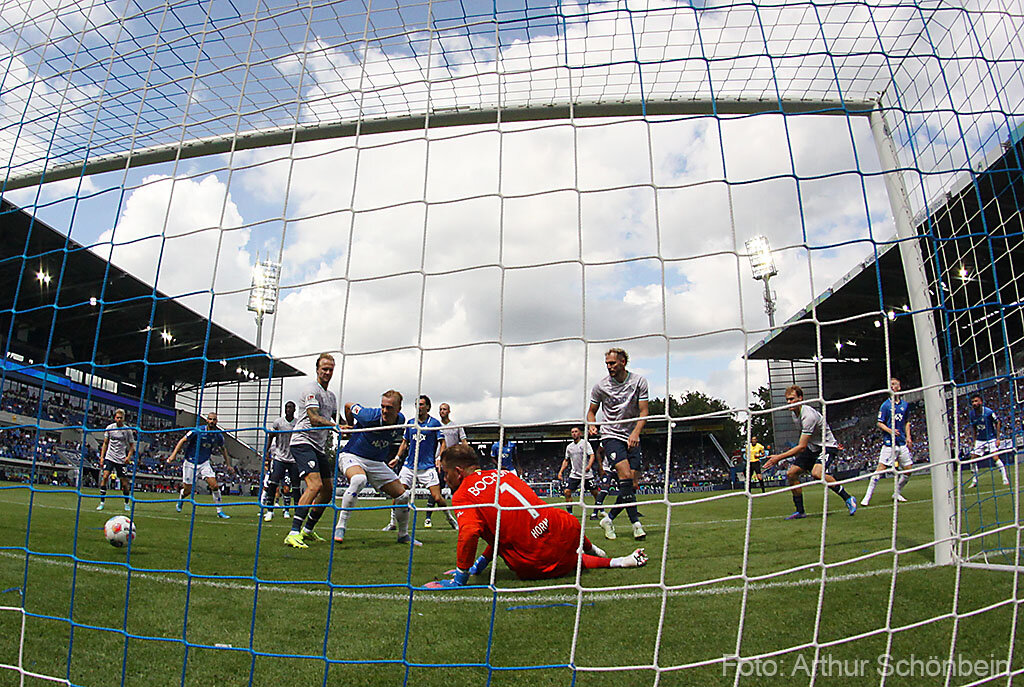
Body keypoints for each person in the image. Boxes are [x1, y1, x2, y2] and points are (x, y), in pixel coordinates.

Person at [425, 445, 645, 588]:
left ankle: (613, 561)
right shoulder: (503, 473)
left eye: (445, 472)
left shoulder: (463, 494)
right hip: (564, 530)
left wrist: (461, 576)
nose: (445, 478)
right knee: (558, 519)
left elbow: (471, 532)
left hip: (536, 559)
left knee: (539, 553)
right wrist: (480, 564)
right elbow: (506, 527)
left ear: (458, 471)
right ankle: (603, 554)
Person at [333, 390, 418, 545]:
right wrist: (350, 427)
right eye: (382, 406)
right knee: (359, 480)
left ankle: (403, 535)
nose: (384, 410)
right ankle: (341, 526)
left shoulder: (401, 420)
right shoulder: (368, 415)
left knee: (403, 496)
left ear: (398, 409)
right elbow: (348, 406)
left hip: (376, 463)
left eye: (389, 408)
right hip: (353, 455)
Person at [762, 385, 857, 519]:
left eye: (792, 399)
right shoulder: (794, 413)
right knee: (791, 474)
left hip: (827, 446)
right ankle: (800, 511)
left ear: (800, 398)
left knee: (817, 474)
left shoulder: (808, 416)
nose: (789, 402)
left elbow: (801, 446)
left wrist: (779, 457)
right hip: (812, 447)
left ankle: (848, 498)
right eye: (787, 400)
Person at [587, 347, 649, 541]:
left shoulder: (639, 382)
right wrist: (592, 425)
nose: (609, 367)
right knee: (625, 475)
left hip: (632, 435)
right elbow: (591, 412)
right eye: (607, 363)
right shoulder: (600, 386)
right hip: (611, 435)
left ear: (623, 362)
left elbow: (644, 411)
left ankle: (609, 519)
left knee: (632, 484)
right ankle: (636, 525)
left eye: (612, 363)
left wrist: (636, 433)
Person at [284, 354, 341, 549]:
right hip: (302, 442)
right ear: (317, 369)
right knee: (314, 485)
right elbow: (314, 419)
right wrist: (335, 426)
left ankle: (307, 531)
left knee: (327, 491)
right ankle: (293, 533)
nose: (327, 372)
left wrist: (353, 426)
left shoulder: (331, 397)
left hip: (318, 446)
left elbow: (338, 419)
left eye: (330, 369)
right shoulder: (311, 390)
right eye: (324, 368)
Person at [384, 395, 458, 531]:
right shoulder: (411, 423)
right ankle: (392, 522)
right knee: (398, 494)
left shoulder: (434, 423)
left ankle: (450, 519)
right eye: (417, 404)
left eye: (422, 404)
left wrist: (439, 458)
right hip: (409, 466)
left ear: (428, 407)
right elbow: (404, 443)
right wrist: (397, 457)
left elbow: (442, 443)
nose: (419, 407)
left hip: (427, 467)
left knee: (437, 497)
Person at [166, 411, 235, 518]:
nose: (212, 421)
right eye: (210, 419)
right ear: (207, 420)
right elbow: (182, 440)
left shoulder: (218, 435)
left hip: (204, 463)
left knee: (215, 486)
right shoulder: (197, 430)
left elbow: (223, 449)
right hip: (190, 462)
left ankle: (219, 511)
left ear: (217, 421)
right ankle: (181, 497)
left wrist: (228, 464)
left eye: (214, 419)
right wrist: (173, 455)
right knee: (188, 490)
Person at [862, 377, 913, 506]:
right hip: (889, 443)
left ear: (899, 387)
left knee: (908, 470)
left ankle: (897, 492)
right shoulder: (885, 405)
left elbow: (907, 422)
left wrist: (908, 437)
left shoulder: (904, 405)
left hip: (902, 443)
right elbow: (879, 423)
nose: (892, 386)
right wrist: (891, 431)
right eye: (890, 385)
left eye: (894, 384)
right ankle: (867, 497)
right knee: (880, 470)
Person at [557, 426, 605, 518]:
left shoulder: (585, 443)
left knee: (595, 493)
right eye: (572, 432)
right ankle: (570, 514)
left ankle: (601, 509)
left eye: (576, 431)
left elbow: (592, 455)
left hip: (587, 474)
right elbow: (566, 460)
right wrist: (560, 472)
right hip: (575, 474)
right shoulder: (569, 447)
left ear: (580, 433)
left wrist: (589, 466)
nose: (574, 433)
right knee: (567, 492)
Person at [261, 401, 297, 522]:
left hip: (293, 459)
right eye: (287, 407)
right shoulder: (278, 422)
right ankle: (269, 511)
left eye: (291, 407)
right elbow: (271, 436)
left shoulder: (297, 423)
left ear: (294, 409)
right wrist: (266, 451)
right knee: (273, 484)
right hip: (279, 457)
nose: (288, 409)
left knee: (292, 487)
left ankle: (289, 510)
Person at [967, 392, 1010, 487]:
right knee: (973, 459)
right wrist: (974, 441)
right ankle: (974, 480)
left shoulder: (988, 412)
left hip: (990, 438)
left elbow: (998, 422)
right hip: (980, 439)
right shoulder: (972, 414)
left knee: (995, 457)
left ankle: (1005, 478)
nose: (974, 403)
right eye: (973, 402)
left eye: (976, 401)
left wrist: (998, 438)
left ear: (981, 402)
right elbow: (974, 428)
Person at [97, 408, 135, 511]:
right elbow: (105, 443)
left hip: (121, 459)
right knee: (105, 476)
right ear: (115, 418)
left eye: (121, 418)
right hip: (110, 456)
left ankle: (126, 503)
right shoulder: (110, 428)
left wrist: (128, 457)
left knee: (124, 483)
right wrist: (102, 457)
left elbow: (132, 446)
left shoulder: (127, 430)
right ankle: (102, 502)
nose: (119, 419)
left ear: (123, 419)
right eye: (117, 417)